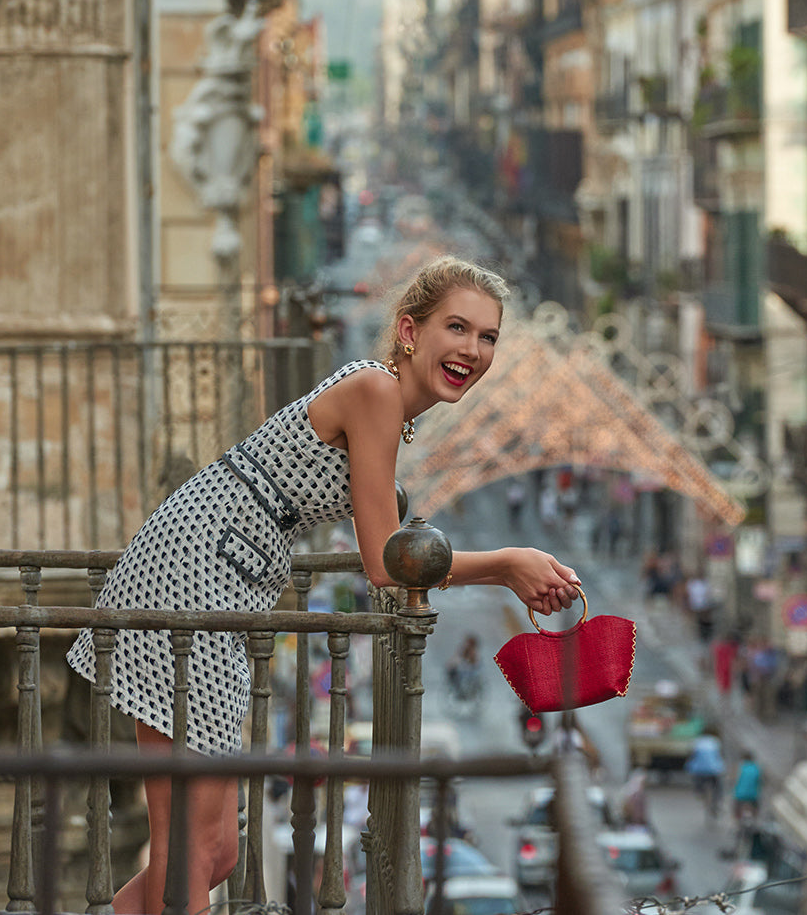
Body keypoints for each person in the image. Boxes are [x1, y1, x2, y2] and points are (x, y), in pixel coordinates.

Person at [64, 255, 583, 915]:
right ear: (407, 330)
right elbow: (387, 563)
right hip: (190, 573)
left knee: (216, 854)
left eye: (487, 337)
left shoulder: (389, 407)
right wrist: (507, 563)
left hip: (222, 580)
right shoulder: (376, 392)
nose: (472, 350)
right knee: (188, 852)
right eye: (457, 328)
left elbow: (390, 553)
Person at [684, 728, 726, 820]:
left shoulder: (697, 742)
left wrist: (688, 765)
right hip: (713, 769)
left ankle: (701, 794)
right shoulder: (715, 741)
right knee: (718, 788)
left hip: (699, 770)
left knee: (697, 784)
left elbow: (692, 755)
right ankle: (716, 803)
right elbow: (719, 755)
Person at [446, 633, 485, 703]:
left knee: (457, 675)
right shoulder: (467, 651)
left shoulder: (473, 652)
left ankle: (460, 692)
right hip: (466, 671)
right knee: (453, 672)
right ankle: (458, 690)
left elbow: (471, 664)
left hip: (470, 673)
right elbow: (458, 659)